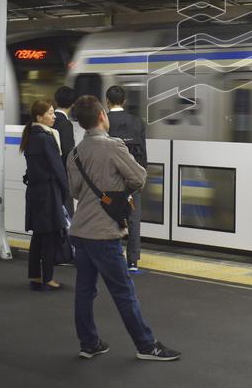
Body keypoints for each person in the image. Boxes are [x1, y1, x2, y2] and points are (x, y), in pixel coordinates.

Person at [66, 95, 180, 361]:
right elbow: (139, 177)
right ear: (102, 117)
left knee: (84, 291)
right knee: (123, 292)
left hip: (80, 231)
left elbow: (73, 190)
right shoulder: (114, 146)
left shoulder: (74, 154)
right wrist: (119, 191)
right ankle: (146, 345)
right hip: (104, 233)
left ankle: (89, 342)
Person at [21, 99, 70, 291]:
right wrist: (65, 190)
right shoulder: (47, 138)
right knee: (49, 236)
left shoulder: (31, 135)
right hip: (49, 192)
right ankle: (48, 278)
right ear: (39, 117)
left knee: (38, 236)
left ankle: (35, 276)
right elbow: (57, 168)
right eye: (50, 113)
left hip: (34, 192)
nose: (54, 116)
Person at [105, 85, 147, 274]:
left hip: (109, 182)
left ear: (107, 101)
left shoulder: (103, 121)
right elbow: (143, 155)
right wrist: (140, 177)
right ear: (124, 101)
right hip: (131, 182)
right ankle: (133, 262)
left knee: (108, 216)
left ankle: (110, 258)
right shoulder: (137, 122)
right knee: (133, 219)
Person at [54, 86, 78, 214]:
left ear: (56, 101)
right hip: (62, 178)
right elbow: (68, 154)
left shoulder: (48, 120)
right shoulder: (66, 124)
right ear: (73, 104)